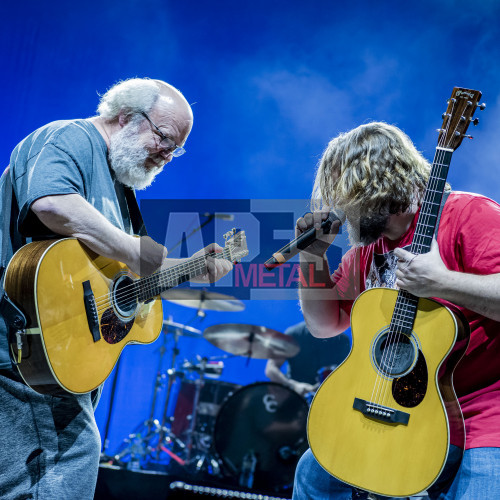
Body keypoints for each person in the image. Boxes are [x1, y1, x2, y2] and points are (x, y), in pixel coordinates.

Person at [0, 78, 233, 499]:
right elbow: (52, 203)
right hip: (21, 355)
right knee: (64, 468)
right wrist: (136, 250)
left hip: (57, 363)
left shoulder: (122, 190)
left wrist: (192, 268)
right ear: (125, 115)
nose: (167, 154)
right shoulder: (67, 137)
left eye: (175, 149)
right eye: (164, 137)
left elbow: (135, 275)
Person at [292, 122, 500, 499]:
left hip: (482, 419)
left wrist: (442, 283)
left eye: (344, 195)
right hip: (397, 410)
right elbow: (325, 326)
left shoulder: (470, 216)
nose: (337, 208)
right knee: (314, 474)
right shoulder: (368, 251)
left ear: (374, 185)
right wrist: (312, 258)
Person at [265, 321, 350, 397]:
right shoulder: (293, 334)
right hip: (295, 399)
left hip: (328, 398)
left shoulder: (342, 341)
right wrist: (293, 386)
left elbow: (348, 375)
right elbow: (271, 369)